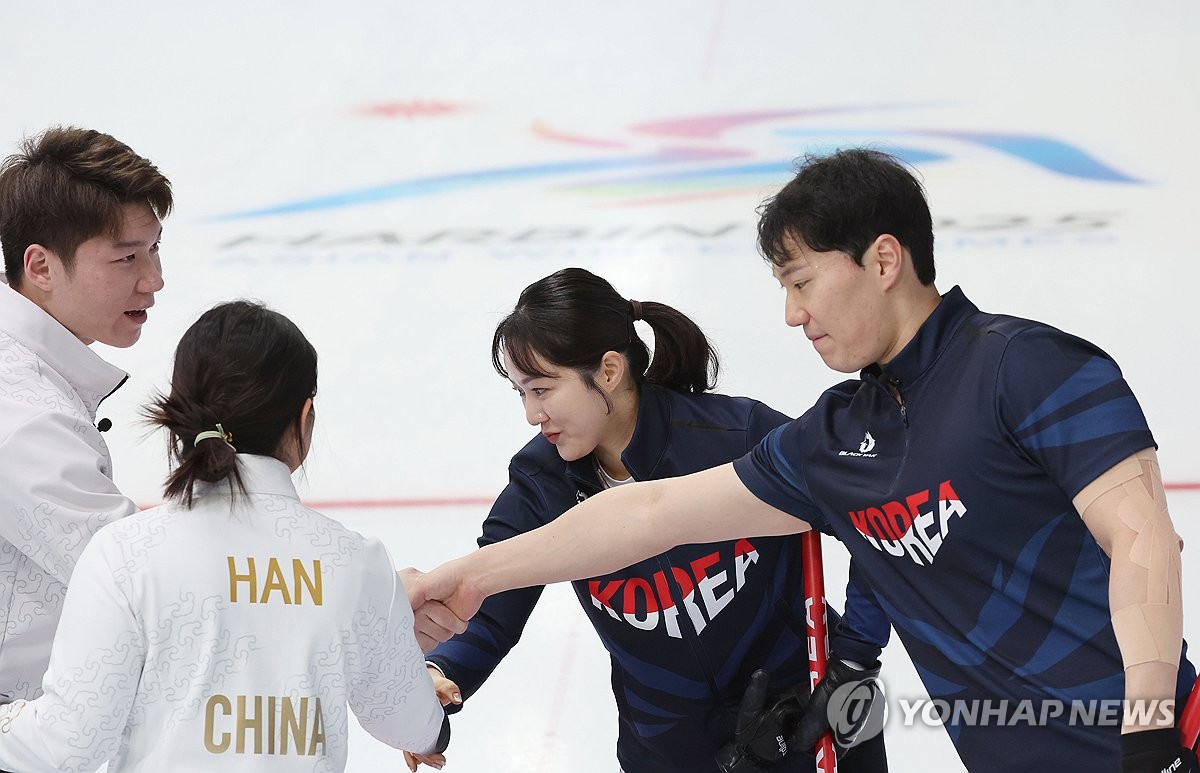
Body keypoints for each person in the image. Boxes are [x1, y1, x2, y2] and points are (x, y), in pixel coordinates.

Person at [410, 150, 1199, 773]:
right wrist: (465, 578)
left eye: (802, 281)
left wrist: (1149, 726)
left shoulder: (1028, 366)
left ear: (882, 259)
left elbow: (1142, 540)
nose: (792, 314)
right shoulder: (832, 441)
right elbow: (643, 513)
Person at [405, 268, 890, 773]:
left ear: (609, 370)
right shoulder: (541, 482)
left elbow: (874, 523)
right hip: (669, 750)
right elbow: (487, 595)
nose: (532, 413)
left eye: (544, 390)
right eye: (521, 393)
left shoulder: (735, 435)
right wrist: (440, 670)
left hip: (808, 721)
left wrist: (852, 658)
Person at [0, 300, 449, 772]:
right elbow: (407, 721)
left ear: (180, 416)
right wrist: (432, 720)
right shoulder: (357, 563)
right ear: (305, 418)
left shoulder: (125, 554)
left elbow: (68, 744)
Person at [0, 126, 171, 704]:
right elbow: (149, 584)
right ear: (41, 267)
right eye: (127, 258)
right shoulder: (22, 412)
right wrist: (352, 594)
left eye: (153, 250)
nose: (154, 281)